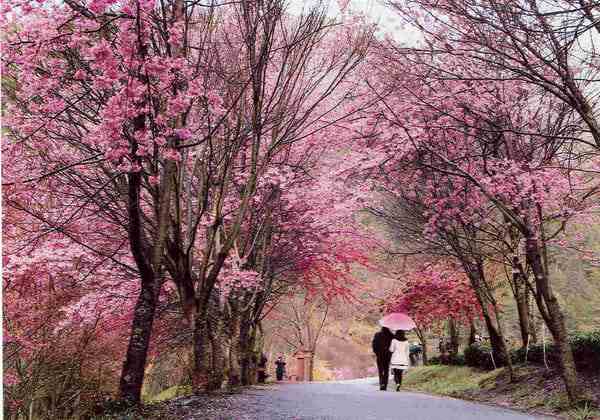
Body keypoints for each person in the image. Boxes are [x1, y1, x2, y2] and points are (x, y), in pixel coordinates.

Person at [372, 326, 393, 390]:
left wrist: (376, 353)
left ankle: (381, 384)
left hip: (380, 355)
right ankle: (385, 385)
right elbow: (393, 347)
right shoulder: (391, 336)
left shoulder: (377, 335)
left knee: (380, 370)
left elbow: (374, 345)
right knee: (386, 370)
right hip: (387, 356)